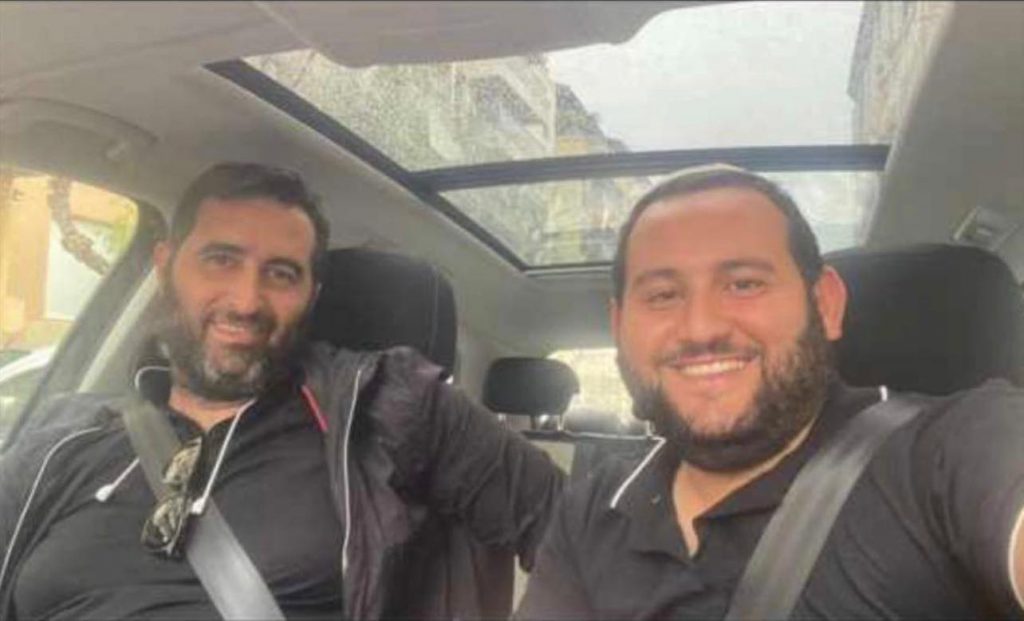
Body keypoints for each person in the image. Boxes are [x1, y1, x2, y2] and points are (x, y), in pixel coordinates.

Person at [0, 162, 565, 620]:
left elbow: (582, 536)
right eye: (221, 260)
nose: (246, 301)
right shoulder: (62, 439)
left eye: (280, 274)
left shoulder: (389, 406)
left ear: (312, 294)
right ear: (167, 266)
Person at [516, 164, 1024, 619]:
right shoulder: (594, 509)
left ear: (825, 304)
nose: (700, 328)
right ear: (619, 327)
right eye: (663, 295)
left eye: (744, 284)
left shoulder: (948, 451)